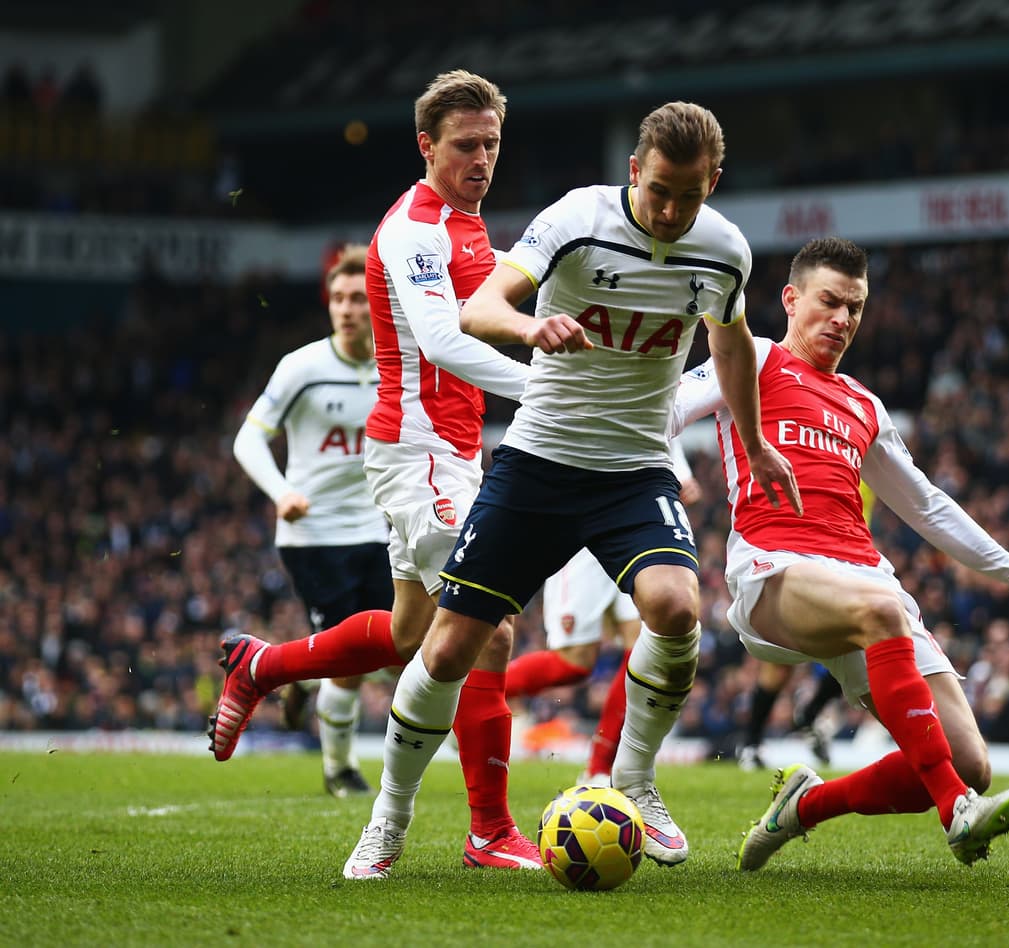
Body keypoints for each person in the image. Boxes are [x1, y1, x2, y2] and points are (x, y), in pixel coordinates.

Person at [341, 100, 800, 879]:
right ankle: (389, 819)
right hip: (540, 462)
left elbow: (731, 345)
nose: (669, 210)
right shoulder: (577, 219)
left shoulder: (724, 251)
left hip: (634, 469)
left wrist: (755, 444)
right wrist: (531, 330)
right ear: (634, 170)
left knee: (677, 607)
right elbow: (480, 307)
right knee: (450, 647)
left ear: (712, 184)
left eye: (688, 196)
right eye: (657, 191)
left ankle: (634, 780)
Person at [668, 237, 1009, 869]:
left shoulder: (863, 403)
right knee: (884, 616)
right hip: (773, 571)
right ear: (791, 300)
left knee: (972, 763)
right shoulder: (753, 357)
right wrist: (675, 474)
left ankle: (802, 808)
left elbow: (928, 506)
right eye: (829, 302)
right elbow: (662, 409)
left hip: (862, 578)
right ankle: (955, 812)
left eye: (855, 307)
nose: (843, 320)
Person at [210, 70, 547, 871]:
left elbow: (497, 273)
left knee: (404, 633)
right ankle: (483, 830)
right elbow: (442, 342)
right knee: (489, 631)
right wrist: (549, 377)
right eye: (466, 145)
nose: (482, 158)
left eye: (492, 143)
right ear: (426, 145)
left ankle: (264, 664)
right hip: (420, 457)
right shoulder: (412, 230)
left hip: (443, 453)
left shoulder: (464, 224)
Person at [230, 243, 388, 798]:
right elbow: (248, 438)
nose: (346, 309)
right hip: (315, 535)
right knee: (349, 658)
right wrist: (281, 492)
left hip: (381, 531)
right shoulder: (302, 368)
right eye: (338, 299)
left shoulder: (397, 368)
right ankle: (339, 770)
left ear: (377, 303)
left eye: (358, 298)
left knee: (395, 647)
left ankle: (296, 675)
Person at [506, 446, 703, 784]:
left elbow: (661, 412)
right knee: (573, 663)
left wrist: (680, 472)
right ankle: (472, 693)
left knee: (644, 648)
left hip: (636, 521)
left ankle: (599, 767)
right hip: (582, 526)